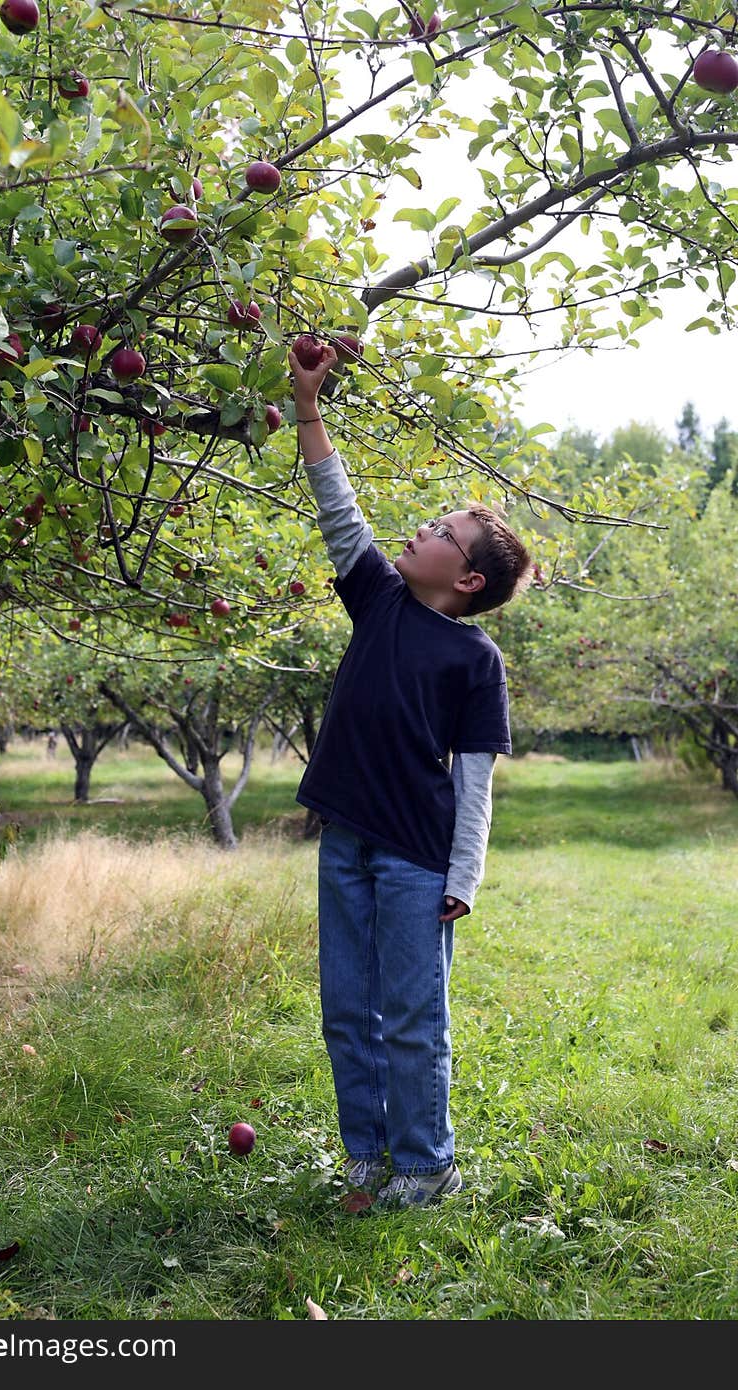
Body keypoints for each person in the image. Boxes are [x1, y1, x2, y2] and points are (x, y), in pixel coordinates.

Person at [289, 344, 533, 1209]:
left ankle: (426, 1163)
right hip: (345, 840)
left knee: (411, 1017)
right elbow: (338, 509)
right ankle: (367, 1152)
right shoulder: (379, 598)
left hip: (415, 859)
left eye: (441, 533)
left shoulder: (476, 659)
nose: (420, 529)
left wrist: (463, 876)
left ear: (466, 577)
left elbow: (474, 782)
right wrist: (308, 406)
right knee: (346, 1009)